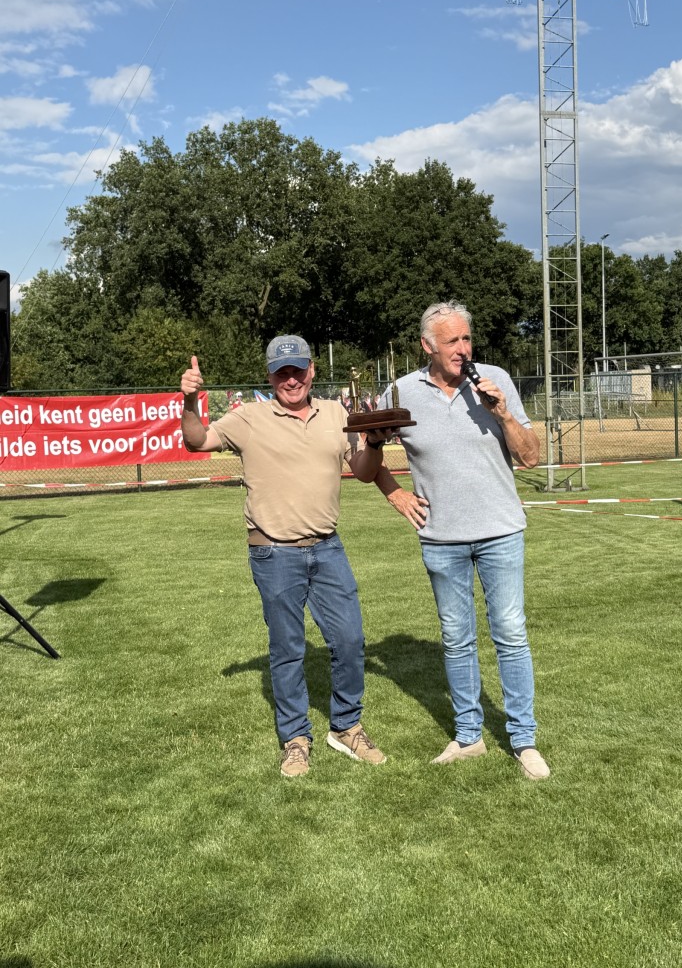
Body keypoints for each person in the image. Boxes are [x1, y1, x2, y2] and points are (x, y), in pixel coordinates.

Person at [180, 335, 390, 778]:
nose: (291, 379)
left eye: (298, 370)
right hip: (273, 553)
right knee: (288, 649)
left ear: (311, 370)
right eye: (282, 372)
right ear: (270, 376)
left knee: (350, 641)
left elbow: (365, 473)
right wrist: (191, 400)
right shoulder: (249, 417)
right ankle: (295, 739)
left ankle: (347, 727)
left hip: (328, 547)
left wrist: (373, 443)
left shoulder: (336, 413)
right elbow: (197, 441)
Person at [374, 301, 550, 780]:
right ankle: (469, 737)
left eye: (466, 339)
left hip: (501, 531)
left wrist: (504, 413)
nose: (463, 349)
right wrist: (395, 495)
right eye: (452, 341)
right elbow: (363, 457)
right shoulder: (401, 391)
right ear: (427, 347)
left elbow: (532, 458)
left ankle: (524, 740)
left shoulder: (494, 380)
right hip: (441, 538)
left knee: (510, 633)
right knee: (456, 638)